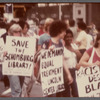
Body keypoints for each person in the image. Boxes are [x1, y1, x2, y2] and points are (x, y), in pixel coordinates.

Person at [41, 20, 73, 97]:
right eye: (64, 31)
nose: (65, 33)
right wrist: (48, 51)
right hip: (49, 76)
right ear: (59, 31)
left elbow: (62, 59)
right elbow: (40, 56)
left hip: (59, 74)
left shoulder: (61, 43)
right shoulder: (47, 42)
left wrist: (68, 74)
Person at [62, 29, 81, 97]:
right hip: (66, 72)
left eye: (70, 36)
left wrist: (75, 51)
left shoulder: (74, 46)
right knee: (66, 94)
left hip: (74, 71)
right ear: (64, 38)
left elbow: (79, 57)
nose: (69, 38)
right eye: (67, 37)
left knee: (76, 93)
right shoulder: (62, 48)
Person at [6, 24, 22, 97]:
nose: (18, 33)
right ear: (12, 32)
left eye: (19, 31)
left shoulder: (23, 41)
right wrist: (3, 53)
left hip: (21, 68)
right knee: (17, 89)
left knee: (16, 90)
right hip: (11, 68)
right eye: (16, 32)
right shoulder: (6, 41)